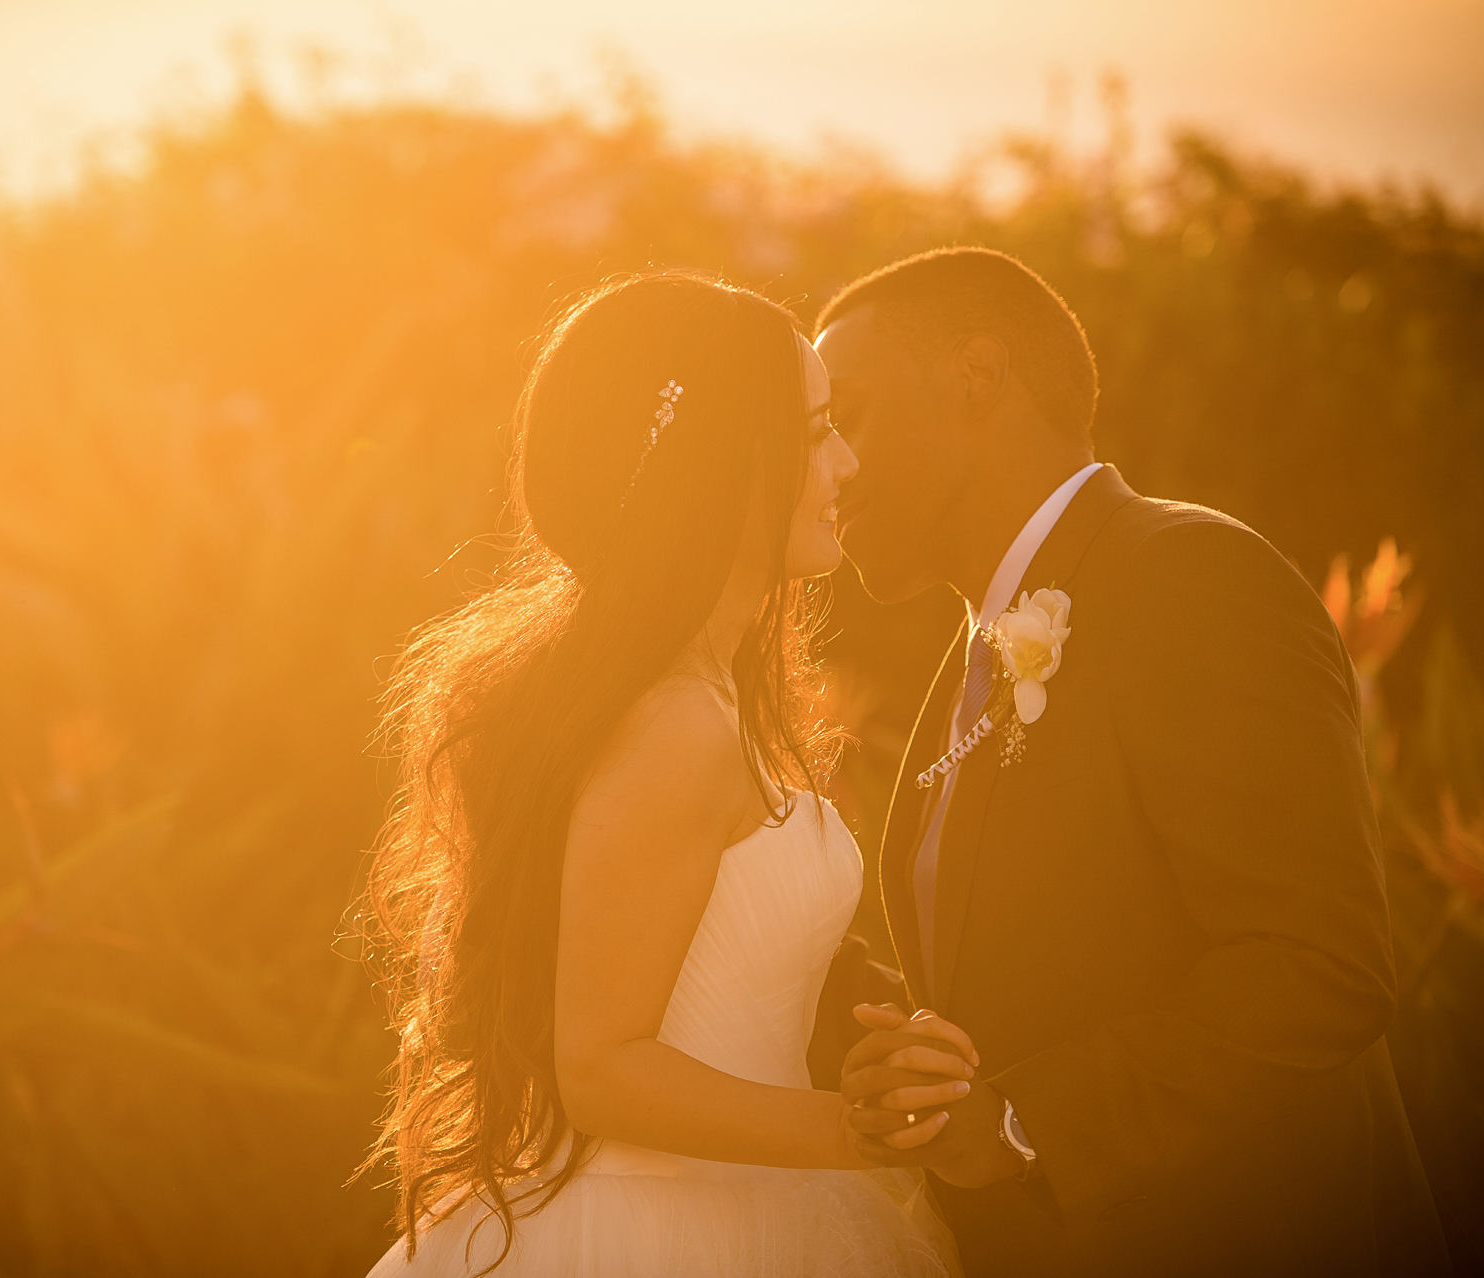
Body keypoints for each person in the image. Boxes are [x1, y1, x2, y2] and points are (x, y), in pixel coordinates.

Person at [811, 246, 1452, 1277]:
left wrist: (1024, 1121)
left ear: (978, 377)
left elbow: (1318, 966)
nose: (831, 467)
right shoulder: (968, 661)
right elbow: (1022, 972)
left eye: (850, 415)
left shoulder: (1191, 577)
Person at [356, 271, 967, 1276]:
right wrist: (853, 1133)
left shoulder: (680, 695)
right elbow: (599, 1069)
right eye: (818, 432)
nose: (846, 464)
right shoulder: (675, 724)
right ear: (726, 470)